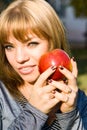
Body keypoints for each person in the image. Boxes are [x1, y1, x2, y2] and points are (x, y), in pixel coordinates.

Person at [0, 0, 87, 130]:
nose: (19, 58)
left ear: (54, 41)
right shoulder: (3, 95)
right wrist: (34, 113)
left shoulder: (77, 99)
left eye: (31, 43)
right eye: (9, 46)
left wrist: (69, 115)